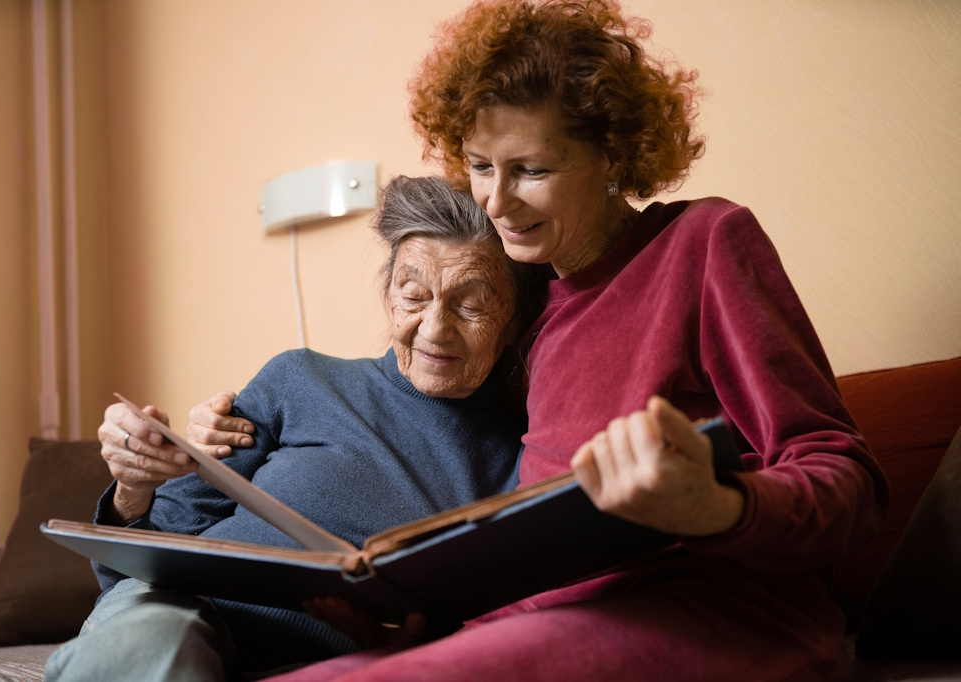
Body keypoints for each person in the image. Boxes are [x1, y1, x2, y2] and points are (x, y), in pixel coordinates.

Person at [208, 1, 883, 680]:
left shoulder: (702, 244)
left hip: (720, 615)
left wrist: (716, 507)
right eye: (480, 166)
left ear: (612, 154)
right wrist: (419, 627)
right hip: (550, 627)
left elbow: (846, 477)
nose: (496, 202)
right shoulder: (525, 319)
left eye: (531, 170)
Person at [43, 175, 550, 682]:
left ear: (514, 320)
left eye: (471, 305)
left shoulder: (525, 460)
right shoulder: (300, 379)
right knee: (158, 644)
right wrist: (133, 487)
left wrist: (412, 645)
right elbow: (138, 562)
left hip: (329, 662)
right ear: (388, 294)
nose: (434, 329)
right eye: (414, 296)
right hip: (183, 618)